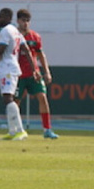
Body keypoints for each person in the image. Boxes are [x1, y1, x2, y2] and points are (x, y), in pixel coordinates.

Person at [0, 8, 39, 141]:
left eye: (0, 16)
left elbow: (2, 48)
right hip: (12, 66)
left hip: (8, 68)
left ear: (7, 18)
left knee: (8, 98)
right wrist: (34, 69)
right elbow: (26, 50)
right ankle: (12, 131)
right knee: (8, 98)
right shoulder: (15, 31)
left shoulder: (6, 30)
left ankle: (20, 131)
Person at [16, 9, 59, 139]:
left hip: (34, 74)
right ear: (18, 21)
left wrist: (47, 71)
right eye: (23, 20)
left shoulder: (35, 37)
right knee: (15, 102)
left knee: (43, 98)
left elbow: (40, 55)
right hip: (18, 74)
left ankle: (47, 129)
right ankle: (16, 128)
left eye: (28, 21)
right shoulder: (14, 36)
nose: (26, 23)